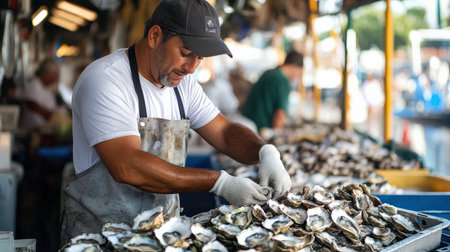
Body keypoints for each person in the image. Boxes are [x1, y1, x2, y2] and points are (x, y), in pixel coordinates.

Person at [61, 0, 291, 243]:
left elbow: (224, 132)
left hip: (162, 237)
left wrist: (265, 151)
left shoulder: (183, 86)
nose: (191, 68)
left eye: (199, 58)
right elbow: (126, 165)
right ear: (155, 36)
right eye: (185, 53)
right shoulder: (105, 80)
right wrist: (219, 183)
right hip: (102, 238)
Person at [242, 51, 303, 131]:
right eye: (299, 72)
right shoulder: (283, 81)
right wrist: (277, 136)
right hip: (259, 129)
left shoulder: (268, 72)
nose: (298, 76)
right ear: (294, 66)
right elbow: (280, 114)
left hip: (245, 122)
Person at [20, 59, 61, 130]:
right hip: (32, 131)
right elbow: (32, 104)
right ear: (47, 73)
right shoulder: (34, 84)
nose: (57, 79)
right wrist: (54, 116)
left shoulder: (47, 87)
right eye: (55, 75)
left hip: (44, 129)